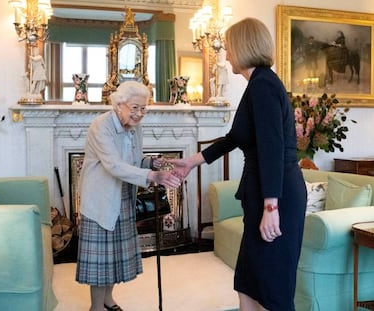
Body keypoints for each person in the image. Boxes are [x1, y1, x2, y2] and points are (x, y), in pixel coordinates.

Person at [170, 18, 307, 311]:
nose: (227, 53)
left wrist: (272, 207)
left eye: (229, 47)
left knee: (274, 289)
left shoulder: (263, 86)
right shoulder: (257, 84)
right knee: (247, 282)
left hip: (275, 194)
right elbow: (235, 137)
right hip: (262, 192)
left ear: (244, 46)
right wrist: (191, 162)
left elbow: (271, 149)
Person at [76, 80, 181, 311]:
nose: (139, 113)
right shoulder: (100, 126)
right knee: (102, 261)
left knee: (114, 256)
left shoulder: (134, 128)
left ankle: (108, 300)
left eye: (143, 108)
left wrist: (151, 162)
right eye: (135, 107)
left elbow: (132, 162)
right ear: (119, 104)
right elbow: (113, 165)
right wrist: (153, 176)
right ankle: (96, 307)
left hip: (123, 195)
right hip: (101, 199)